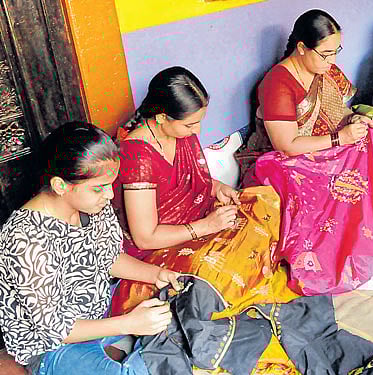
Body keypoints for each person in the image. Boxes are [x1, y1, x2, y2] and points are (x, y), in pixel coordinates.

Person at [110, 67, 300, 373]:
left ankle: (246, 274)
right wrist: (206, 227)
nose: (197, 131)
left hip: (198, 217)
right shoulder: (137, 157)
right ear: (161, 118)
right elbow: (145, 236)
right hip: (160, 247)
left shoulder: (177, 133)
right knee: (210, 276)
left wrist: (219, 187)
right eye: (190, 124)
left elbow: (193, 180)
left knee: (266, 201)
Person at [236, 9, 373, 296]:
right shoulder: (279, 83)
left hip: (325, 144)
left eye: (336, 51)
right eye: (325, 53)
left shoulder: (324, 70)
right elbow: (286, 145)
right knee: (335, 186)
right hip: (283, 159)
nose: (333, 60)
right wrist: (340, 138)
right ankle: (346, 244)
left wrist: (354, 121)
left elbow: (343, 111)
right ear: (301, 48)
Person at [0, 121, 182, 374]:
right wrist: (128, 323)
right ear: (60, 185)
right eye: (99, 188)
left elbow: (108, 258)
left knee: (182, 314)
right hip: (51, 344)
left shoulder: (91, 203)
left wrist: (156, 275)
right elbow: (55, 329)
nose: (109, 194)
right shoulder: (25, 240)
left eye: (110, 184)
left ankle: (119, 342)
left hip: (101, 312)